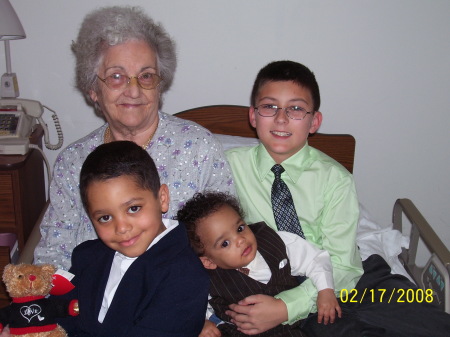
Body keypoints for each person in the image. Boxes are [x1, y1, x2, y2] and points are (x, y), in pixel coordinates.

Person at [225, 60, 450, 336]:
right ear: (253, 116)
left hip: (351, 277)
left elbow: (344, 265)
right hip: (279, 281)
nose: (281, 118)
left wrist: (285, 307)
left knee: (430, 322)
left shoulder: (335, 178)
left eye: (296, 108)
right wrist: (285, 304)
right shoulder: (227, 167)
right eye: (270, 106)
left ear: (314, 121)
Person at [34, 6, 234, 271]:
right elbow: (53, 253)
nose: (134, 90)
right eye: (117, 77)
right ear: (93, 89)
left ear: (159, 85)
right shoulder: (73, 162)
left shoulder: (198, 148)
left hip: (183, 301)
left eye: (146, 76)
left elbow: (229, 243)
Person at [56, 140, 209, 336]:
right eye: (105, 217)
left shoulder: (186, 276)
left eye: (133, 208)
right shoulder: (87, 257)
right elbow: (58, 314)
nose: (121, 227)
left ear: (162, 199)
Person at [177, 191, 341, 337]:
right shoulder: (206, 279)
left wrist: (325, 290)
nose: (240, 240)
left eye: (240, 228)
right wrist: (201, 324)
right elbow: (189, 304)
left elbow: (315, 259)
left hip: (289, 329)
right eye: (225, 243)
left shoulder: (275, 242)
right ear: (208, 261)